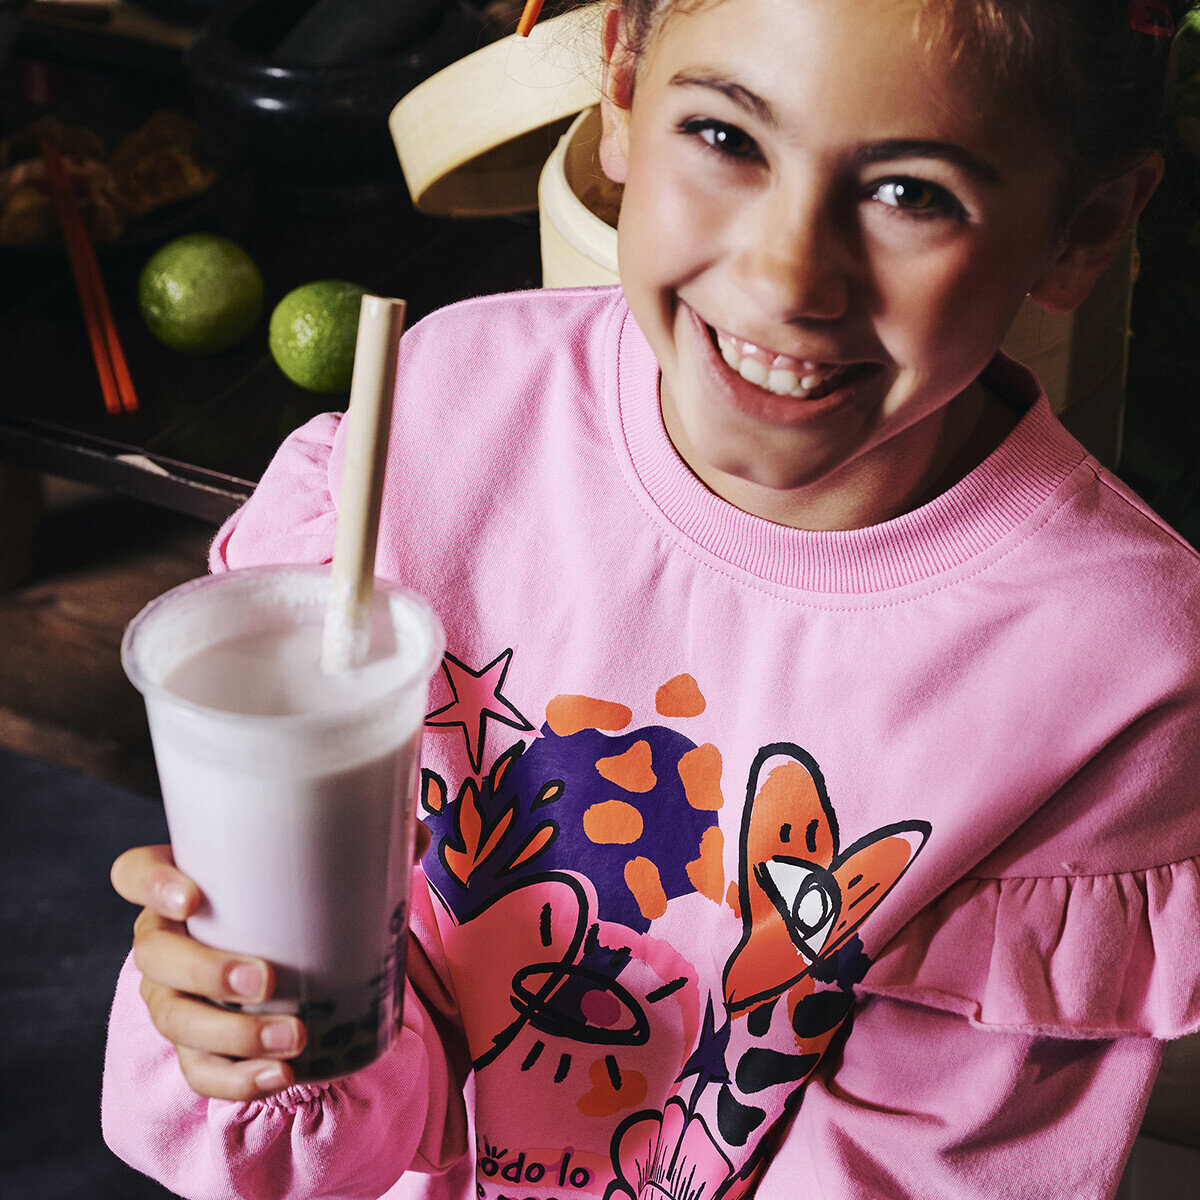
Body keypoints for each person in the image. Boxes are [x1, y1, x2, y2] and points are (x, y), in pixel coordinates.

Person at [103, 0, 1200, 1196]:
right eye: (726, 137)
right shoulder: (437, 421)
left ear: (1086, 227)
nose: (786, 277)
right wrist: (269, 1042)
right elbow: (330, 1127)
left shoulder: (1113, 672)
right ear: (623, 91)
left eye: (910, 194)